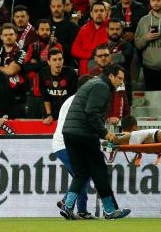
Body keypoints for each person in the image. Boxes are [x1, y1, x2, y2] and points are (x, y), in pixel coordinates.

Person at [60, 64, 131, 220]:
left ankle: (67, 206)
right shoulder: (102, 86)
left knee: (82, 173)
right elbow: (91, 113)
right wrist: (105, 133)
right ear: (111, 76)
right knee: (100, 172)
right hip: (84, 134)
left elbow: (89, 111)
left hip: (69, 133)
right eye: (120, 78)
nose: (121, 82)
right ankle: (109, 210)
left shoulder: (93, 83)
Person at [52, 74, 96, 220]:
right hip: (66, 144)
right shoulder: (80, 102)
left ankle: (81, 210)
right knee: (83, 174)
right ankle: (67, 203)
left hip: (64, 143)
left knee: (81, 175)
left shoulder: (73, 99)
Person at [24, 19, 64, 119]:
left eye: (47, 29)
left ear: (51, 31)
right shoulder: (32, 47)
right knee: (32, 123)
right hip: (35, 92)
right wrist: (46, 63)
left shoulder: (57, 46)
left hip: (52, 92)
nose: (45, 32)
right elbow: (26, 67)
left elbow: (56, 66)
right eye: (42, 29)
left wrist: (36, 64)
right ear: (37, 31)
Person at [0, 23, 27, 119]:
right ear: (1, 37)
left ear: (16, 36)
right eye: (5, 35)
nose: (8, 37)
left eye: (11, 34)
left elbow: (11, 71)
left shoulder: (21, 53)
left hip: (16, 100)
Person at [39, 48, 78, 124]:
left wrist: (67, 115)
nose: (58, 62)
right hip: (50, 111)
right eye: (54, 60)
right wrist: (49, 114)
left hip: (67, 111)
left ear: (63, 60)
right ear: (49, 62)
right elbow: (45, 96)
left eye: (60, 59)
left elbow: (72, 98)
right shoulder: (43, 73)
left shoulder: (71, 73)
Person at [72, 1, 109, 75]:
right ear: (91, 14)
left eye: (101, 11)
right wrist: (93, 55)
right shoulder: (84, 29)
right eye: (96, 11)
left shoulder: (110, 28)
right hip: (84, 71)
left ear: (106, 13)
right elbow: (74, 50)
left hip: (103, 70)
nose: (99, 13)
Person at [49, 0, 80, 68]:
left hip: (66, 64)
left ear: (64, 6)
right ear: (50, 7)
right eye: (53, 6)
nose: (56, 9)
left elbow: (73, 50)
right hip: (46, 64)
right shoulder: (44, 24)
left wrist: (57, 42)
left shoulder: (73, 27)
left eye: (59, 6)